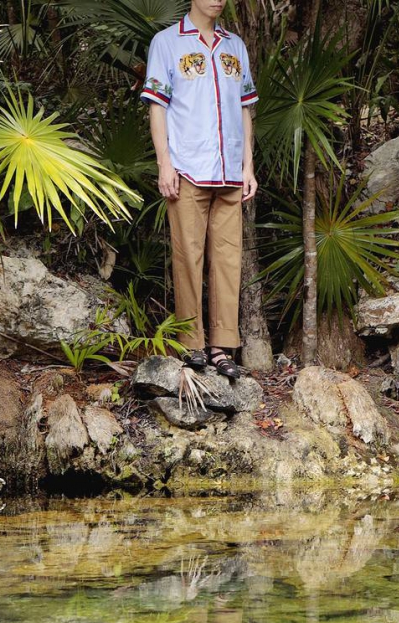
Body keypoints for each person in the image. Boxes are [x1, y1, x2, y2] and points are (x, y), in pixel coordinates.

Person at [140, 0, 259, 381]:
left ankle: (222, 346)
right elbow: (157, 107)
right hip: (188, 169)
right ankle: (191, 343)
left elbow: (245, 109)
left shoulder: (234, 45)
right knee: (187, 258)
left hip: (230, 172)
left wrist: (248, 166)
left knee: (228, 260)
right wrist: (164, 163)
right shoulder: (167, 42)